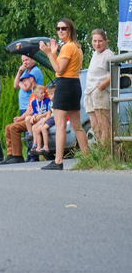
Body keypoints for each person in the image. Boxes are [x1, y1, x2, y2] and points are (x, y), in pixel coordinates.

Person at [40, 18, 89, 170]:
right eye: (58, 28)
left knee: (60, 124)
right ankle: (88, 158)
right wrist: (54, 54)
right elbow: (61, 67)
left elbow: (59, 70)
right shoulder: (76, 47)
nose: (60, 31)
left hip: (65, 85)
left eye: (64, 28)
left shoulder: (68, 48)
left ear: (70, 30)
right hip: (74, 84)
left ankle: (58, 160)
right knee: (76, 124)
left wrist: (48, 53)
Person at [0, 72, 37, 165]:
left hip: (36, 118)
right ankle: (10, 154)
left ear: (32, 79)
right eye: (22, 81)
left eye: (25, 80)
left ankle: (18, 156)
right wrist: (20, 118)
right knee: (8, 127)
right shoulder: (32, 95)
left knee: (14, 128)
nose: (23, 83)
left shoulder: (39, 90)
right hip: (29, 117)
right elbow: (28, 110)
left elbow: (35, 109)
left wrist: (21, 119)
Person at [84, 29, 113, 145]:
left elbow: (112, 75)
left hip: (100, 91)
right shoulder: (94, 54)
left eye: (100, 41)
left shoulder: (108, 54)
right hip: (89, 93)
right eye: (94, 41)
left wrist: (100, 87)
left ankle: (107, 152)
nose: (97, 44)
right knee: (95, 126)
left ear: (105, 41)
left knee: (104, 124)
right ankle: (101, 151)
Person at [29, 84, 54, 156]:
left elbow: (48, 112)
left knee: (37, 128)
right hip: (41, 118)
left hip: (45, 117)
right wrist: (34, 116)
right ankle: (35, 144)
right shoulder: (34, 102)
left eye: (44, 92)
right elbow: (35, 112)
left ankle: (38, 145)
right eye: (41, 93)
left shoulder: (47, 100)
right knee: (33, 127)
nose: (44, 94)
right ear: (36, 94)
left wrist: (40, 117)